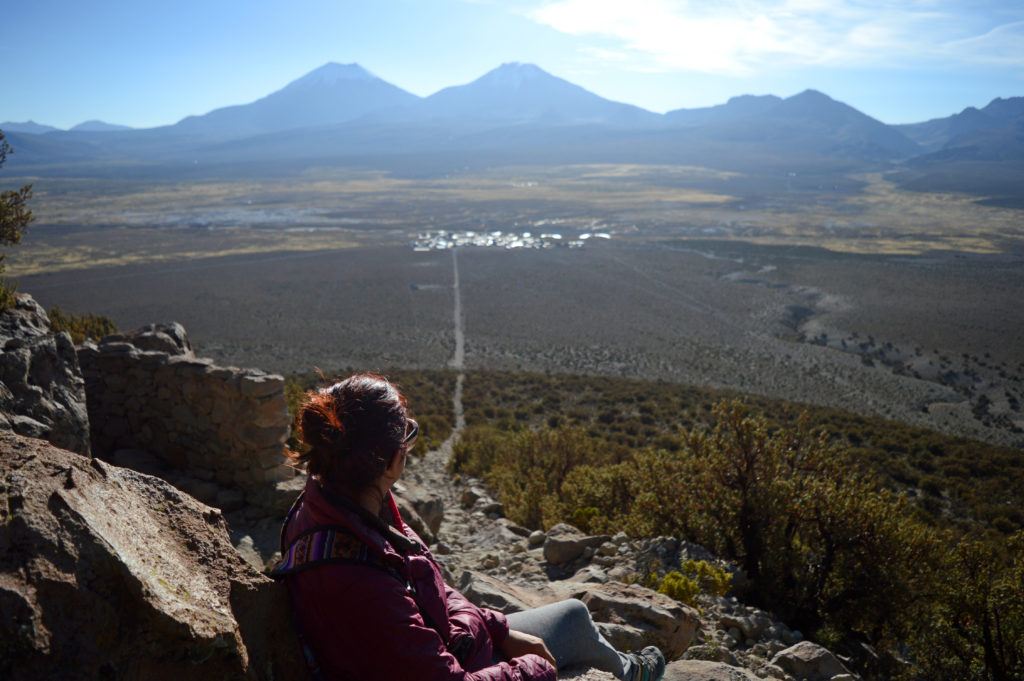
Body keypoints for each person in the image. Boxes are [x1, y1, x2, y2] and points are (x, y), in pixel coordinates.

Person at [272, 373, 666, 681]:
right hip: (443, 662)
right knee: (573, 620)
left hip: (437, 646)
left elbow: (430, 587)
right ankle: (631, 672)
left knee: (574, 616)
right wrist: (536, 668)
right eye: (406, 433)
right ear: (392, 461)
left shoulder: (331, 506)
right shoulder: (358, 578)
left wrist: (496, 628)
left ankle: (627, 668)